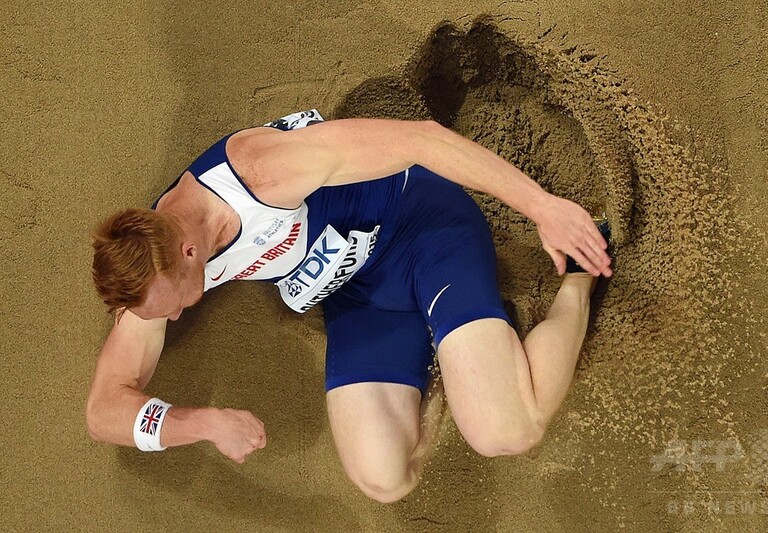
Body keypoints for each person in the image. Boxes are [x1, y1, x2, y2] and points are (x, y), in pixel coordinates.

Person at [87, 109, 612, 504]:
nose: (176, 317)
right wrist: (202, 423)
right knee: (385, 478)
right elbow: (103, 411)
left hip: (421, 232)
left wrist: (543, 208)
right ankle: (458, 362)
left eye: (176, 304)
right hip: (358, 291)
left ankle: (579, 279)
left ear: (188, 251)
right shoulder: (151, 270)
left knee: (506, 432)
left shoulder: (261, 172)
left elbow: (421, 139)